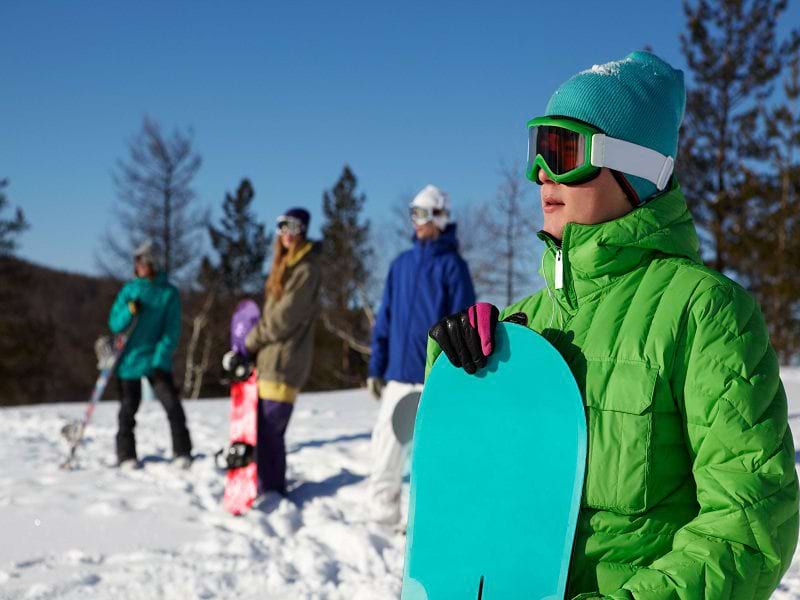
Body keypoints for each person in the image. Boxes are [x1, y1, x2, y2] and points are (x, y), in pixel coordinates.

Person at [427, 51, 799, 598]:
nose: (542, 174)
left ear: (635, 171)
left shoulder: (703, 311)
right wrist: (458, 368)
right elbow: (466, 485)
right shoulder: (523, 324)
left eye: (563, 150)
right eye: (537, 150)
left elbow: (750, 522)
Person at [367, 185, 476, 526]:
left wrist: (456, 376)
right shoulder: (400, 265)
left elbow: (465, 323)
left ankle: (421, 524)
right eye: (413, 213)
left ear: (441, 217)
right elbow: (385, 319)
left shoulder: (453, 267)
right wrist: (376, 367)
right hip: (399, 375)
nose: (417, 221)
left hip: (433, 379)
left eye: (423, 213)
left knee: (429, 455)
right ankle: (382, 519)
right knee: (385, 448)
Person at [245, 208, 321, 496]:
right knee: (266, 435)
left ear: (303, 230)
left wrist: (251, 340)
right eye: (281, 227)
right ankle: (269, 487)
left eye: (292, 227)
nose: (286, 233)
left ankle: (272, 492)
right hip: (271, 360)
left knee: (269, 434)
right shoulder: (286, 265)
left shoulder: (306, 269)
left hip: (285, 363)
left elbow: (283, 319)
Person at [108, 240, 192, 469]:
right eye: (137, 261)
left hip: (156, 358)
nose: (139, 266)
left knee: (172, 405)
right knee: (128, 408)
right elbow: (115, 324)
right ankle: (126, 455)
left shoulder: (168, 293)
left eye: (143, 261)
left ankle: (182, 450)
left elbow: (172, 329)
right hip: (130, 360)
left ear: (153, 263)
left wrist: (160, 357)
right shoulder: (130, 290)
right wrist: (129, 310)